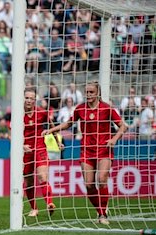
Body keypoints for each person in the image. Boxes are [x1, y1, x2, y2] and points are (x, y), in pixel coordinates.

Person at [43, 81, 128, 225]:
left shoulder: (107, 108)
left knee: (101, 179)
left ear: (98, 93)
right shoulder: (80, 109)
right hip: (86, 151)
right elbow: (69, 123)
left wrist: (114, 139)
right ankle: (101, 211)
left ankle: (102, 214)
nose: (88, 95)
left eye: (91, 92)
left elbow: (123, 126)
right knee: (89, 184)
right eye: (87, 92)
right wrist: (51, 130)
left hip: (104, 150)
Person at [23, 88, 59, 217]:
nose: (29, 100)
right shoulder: (18, 114)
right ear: (23, 98)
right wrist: (22, 146)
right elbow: (12, 134)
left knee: (43, 176)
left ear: (35, 100)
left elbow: (52, 125)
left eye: (31, 98)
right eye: (27, 98)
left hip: (40, 148)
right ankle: (34, 208)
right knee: (28, 181)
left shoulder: (42, 113)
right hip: (26, 151)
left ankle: (49, 203)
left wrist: (57, 141)